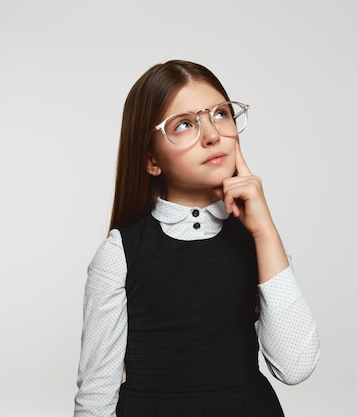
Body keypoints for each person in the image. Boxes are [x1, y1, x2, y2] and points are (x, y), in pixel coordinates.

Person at [74, 59, 320, 417]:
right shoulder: (121, 253)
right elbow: (96, 396)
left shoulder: (258, 241)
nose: (212, 135)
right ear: (151, 160)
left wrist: (265, 231)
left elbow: (295, 366)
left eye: (221, 114)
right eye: (185, 124)